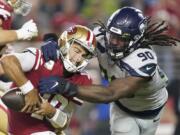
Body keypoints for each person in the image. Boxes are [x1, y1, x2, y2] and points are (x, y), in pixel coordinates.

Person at [39, 7, 180, 135]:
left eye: (121, 39)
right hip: (123, 108)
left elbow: (110, 93)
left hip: (151, 108)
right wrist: (52, 41)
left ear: (135, 40)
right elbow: (71, 40)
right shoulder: (100, 37)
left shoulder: (142, 60)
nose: (113, 42)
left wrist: (66, 86)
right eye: (112, 35)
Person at [0, 25, 97, 135]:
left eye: (84, 55)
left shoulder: (82, 80)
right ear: (65, 43)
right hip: (12, 122)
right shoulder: (41, 58)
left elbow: (65, 123)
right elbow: (7, 61)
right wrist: (29, 90)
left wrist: (52, 112)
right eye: (76, 50)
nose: (78, 58)